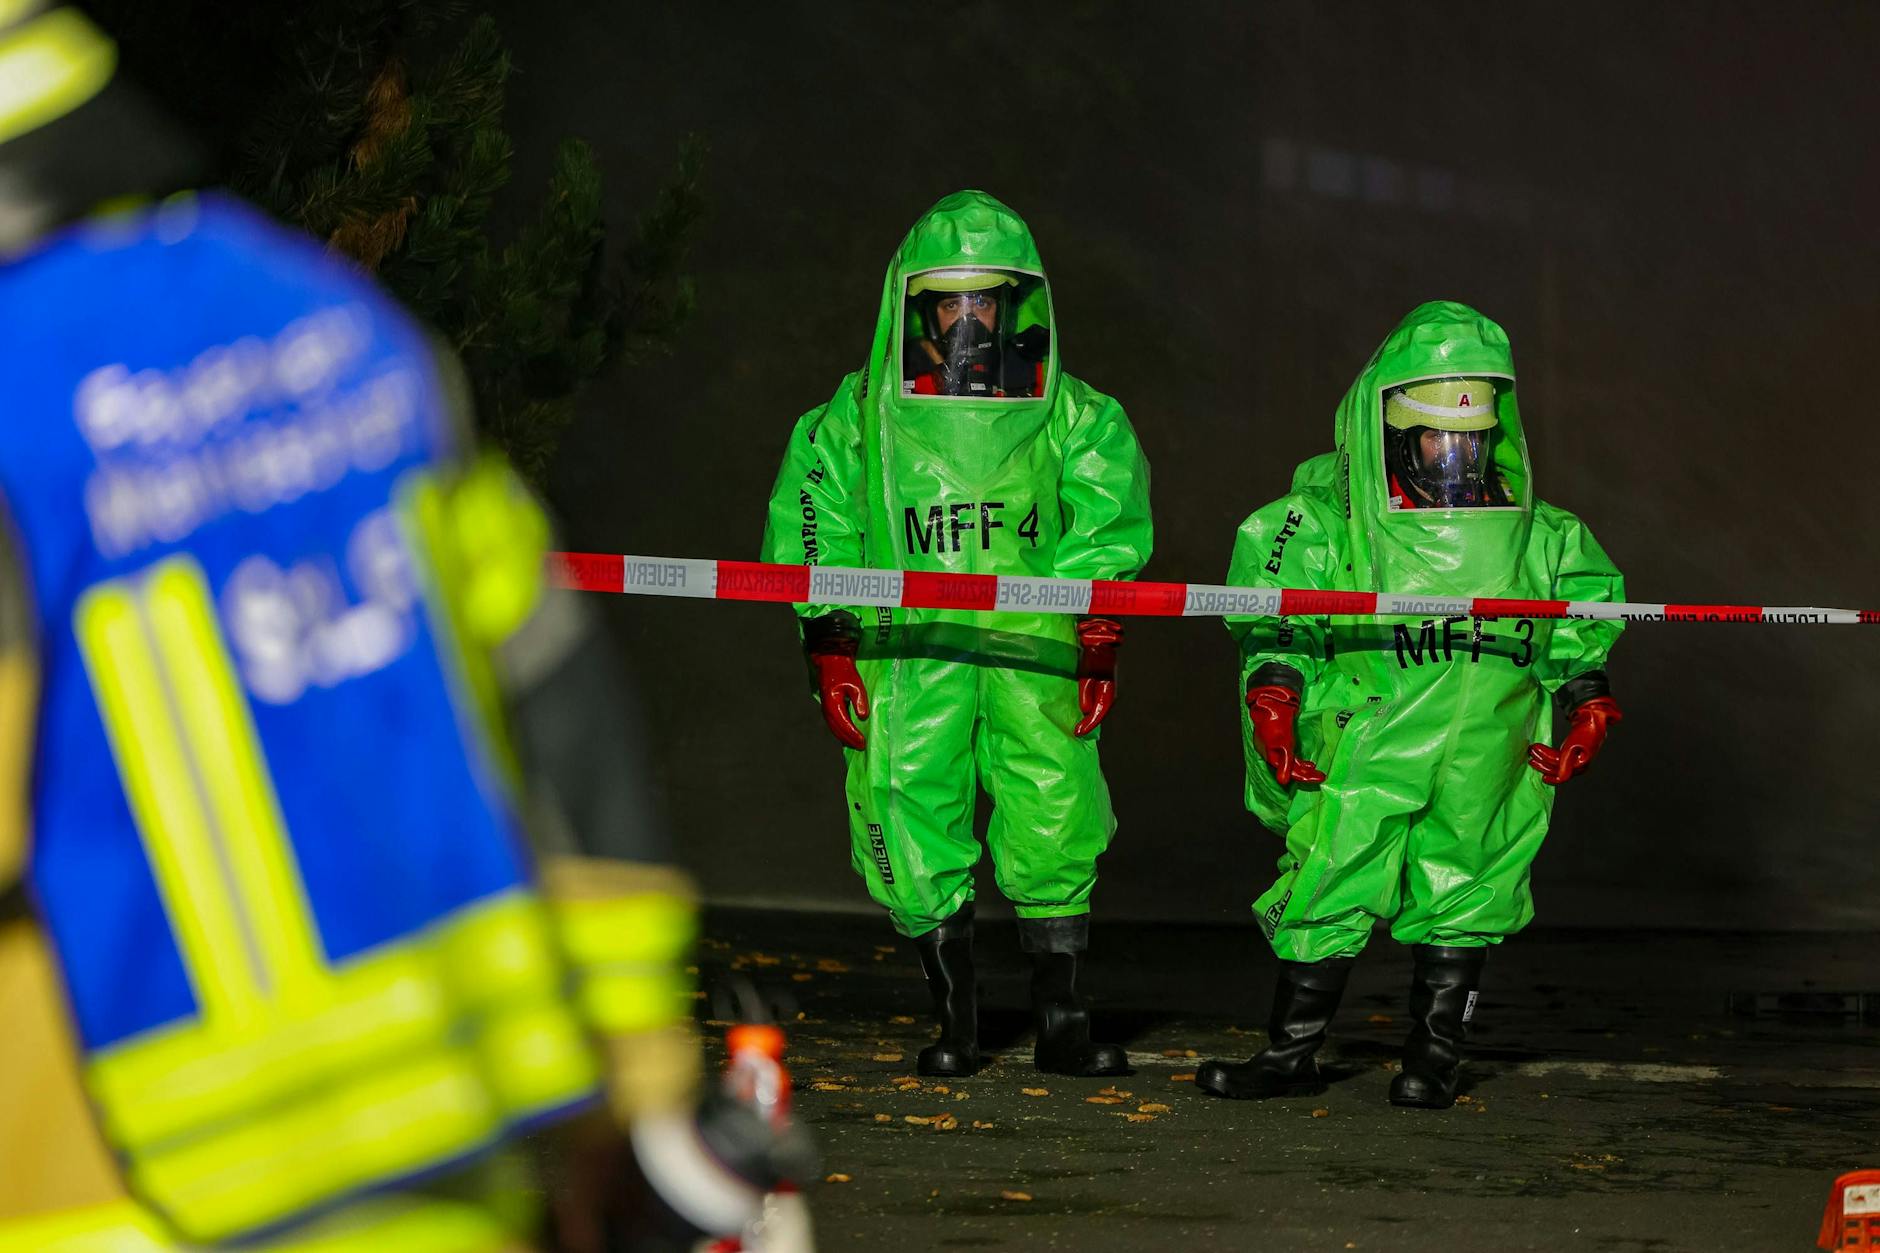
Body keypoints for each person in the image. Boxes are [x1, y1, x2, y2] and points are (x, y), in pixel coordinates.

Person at [0, 6, 786, 1247]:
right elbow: (556, 690)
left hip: (126, 1185)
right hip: (461, 1136)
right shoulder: (320, 318)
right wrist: (635, 1077)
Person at [761, 190, 1152, 1079]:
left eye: (986, 301)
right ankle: (957, 1022)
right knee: (909, 801)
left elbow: (1108, 517)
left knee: (1055, 808)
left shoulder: (1068, 412)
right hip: (912, 648)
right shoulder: (864, 415)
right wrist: (828, 638)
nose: (970, 320)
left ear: (1017, 305)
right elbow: (818, 516)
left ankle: (1062, 1018)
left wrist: (1098, 629)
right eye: (953, 302)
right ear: (919, 305)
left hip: (1034, 646)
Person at [1197, 301, 1625, 1110]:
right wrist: (1275, 695)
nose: (1455, 454)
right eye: (1435, 435)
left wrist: (1589, 700)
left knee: (1470, 883)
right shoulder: (1330, 521)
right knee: (1330, 873)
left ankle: (1436, 1056)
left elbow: (1580, 615)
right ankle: (1290, 1054)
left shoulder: (1537, 532)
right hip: (1370, 737)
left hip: (1488, 749)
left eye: (1471, 436)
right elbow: (1279, 615)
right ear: (1394, 431)